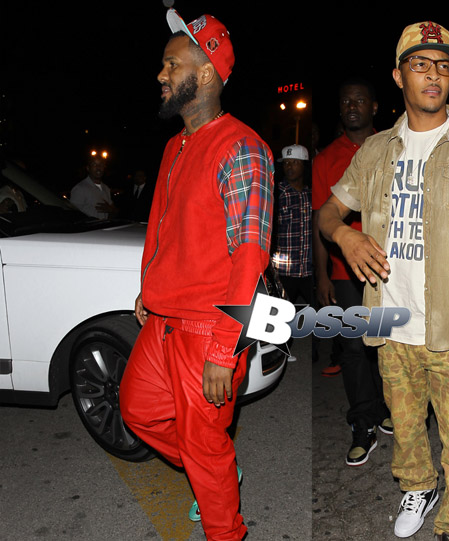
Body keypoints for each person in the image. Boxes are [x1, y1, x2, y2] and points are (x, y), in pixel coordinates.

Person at [317, 21, 449, 541]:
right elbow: (327, 213)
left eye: (443, 66)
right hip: (392, 325)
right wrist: (345, 237)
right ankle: (418, 487)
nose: (433, 75)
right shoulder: (374, 152)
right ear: (399, 76)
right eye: (420, 64)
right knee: (406, 429)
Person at [119, 9, 274, 541]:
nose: (160, 75)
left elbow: (249, 256)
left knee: (204, 447)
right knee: (138, 411)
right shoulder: (174, 145)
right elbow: (164, 227)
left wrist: (224, 349)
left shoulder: (242, 148)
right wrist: (148, 287)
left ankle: (224, 521)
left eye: (171, 64)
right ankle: (217, 468)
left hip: (208, 327)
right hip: (163, 320)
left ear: (205, 73)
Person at [312, 77, 392, 466]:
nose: (352, 106)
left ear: (374, 107)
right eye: (346, 101)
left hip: (390, 268)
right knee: (354, 348)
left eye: (360, 100)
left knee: (389, 342)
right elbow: (320, 220)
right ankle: (363, 423)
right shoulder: (326, 158)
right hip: (346, 272)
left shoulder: (393, 146)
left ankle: (387, 408)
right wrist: (322, 275)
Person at [271, 144, 312, 305]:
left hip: (308, 270)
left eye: (295, 162)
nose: (289, 166)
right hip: (284, 270)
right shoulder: (276, 192)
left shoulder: (311, 193)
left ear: (304, 165)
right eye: (286, 162)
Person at [70, 153, 117, 219]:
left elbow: (114, 212)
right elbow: (72, 215)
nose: (98, 167)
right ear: (88, 168)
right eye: (94, 165)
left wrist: (111, 210)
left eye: (101, 165)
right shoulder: (79, 189)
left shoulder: (106, 188)